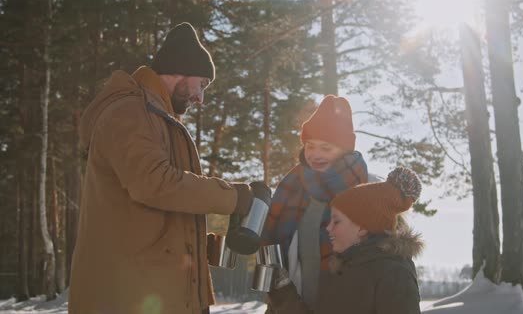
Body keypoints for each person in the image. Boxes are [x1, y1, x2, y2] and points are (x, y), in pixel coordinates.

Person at [69, 22, 255, 314]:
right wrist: (233, 198)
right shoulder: (129, 112)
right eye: (202, 84)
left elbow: (151, 211)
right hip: (129, 298)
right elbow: (155, 184)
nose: (200, 98)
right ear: (181, 68)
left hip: (149, 292)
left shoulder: (154, 116)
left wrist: (194, 241)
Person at [261, 95, 369, 311]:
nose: (315, 155)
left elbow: (377, 263)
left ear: (344, 150)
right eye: (310, 146)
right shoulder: (292, 186)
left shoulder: (365, 192)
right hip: (287, 307)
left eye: (326, 148)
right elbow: (267, 254)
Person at [267, 166, 424, 314]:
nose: (328, 228)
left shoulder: (394, 274)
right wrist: (283, 293)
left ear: (362, 227)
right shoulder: (342, 269)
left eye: (336, 221)